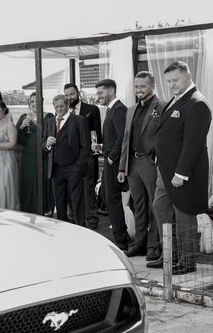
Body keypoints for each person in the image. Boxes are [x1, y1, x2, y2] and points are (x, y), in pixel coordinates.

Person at [147, 61, 211, 275]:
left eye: (175, 80)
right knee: (160, 208)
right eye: (168, 81)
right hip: (163, 172)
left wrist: (181, 174)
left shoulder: (197, 103)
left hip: (181, 175)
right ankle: (170, 256)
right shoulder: (176, 101)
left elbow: (193, 143)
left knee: (184, 217)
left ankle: (187, 261)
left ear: (188, 77)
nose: (171, 85)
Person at [117, 72, 164, 260]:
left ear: (152, 86)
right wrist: (122, 168)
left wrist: (158, 161)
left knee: (154, 205)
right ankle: (140, 244)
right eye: (136, 87)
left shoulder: (161, 107)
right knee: (138, 205)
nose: (139, 90)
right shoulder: (130, 110)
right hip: (132, 164)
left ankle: (154, 246)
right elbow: (125, 140)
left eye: (142, 86)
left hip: (150, 163)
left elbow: (164, 139)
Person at [93, 79, 129, 250]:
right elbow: (114, 137)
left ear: (111, 91)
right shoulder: (111, 110)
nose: (98, 96)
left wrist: (111, 157)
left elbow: (123, 137)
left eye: (101, 92)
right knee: (108, 196)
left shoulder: (119, 109)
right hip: (109, 159)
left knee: (112, 198)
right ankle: (121, 235)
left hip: (114, 163)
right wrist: (102, 147)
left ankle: (122, 239)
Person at [43, 94, 89, 225]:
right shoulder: (50, 122)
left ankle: (81, 227)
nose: (59, 108)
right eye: (56, 106)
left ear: (67, 106)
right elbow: (42, 142)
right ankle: (62, 227)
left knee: (77, 200)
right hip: (56, 168)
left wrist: (79, 165)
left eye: (61, 106)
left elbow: (85, 146)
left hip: (73, 167)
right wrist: (47, 144)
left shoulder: (79, 120)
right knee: (59, 201)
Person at [64, 83, 102, 228]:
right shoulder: (63, 111)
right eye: (66, 95)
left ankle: (91, 221)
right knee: (71, 190)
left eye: (71, 94)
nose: (69, 97)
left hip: (87, 157)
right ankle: (73, 220)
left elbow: (96, 133)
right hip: (69, 159)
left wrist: (94, 154)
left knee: (88, 190)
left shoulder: (92, 109)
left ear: (78, 93)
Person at [15, 92, 54, 214]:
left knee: (42, 184)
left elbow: (50, 135)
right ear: (29, 103)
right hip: (27, 158)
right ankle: (27, 212)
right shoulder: (23, 117)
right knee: (28, 184)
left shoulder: (49, 116)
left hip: (43, 156)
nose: (34, 103)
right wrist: (21, 127)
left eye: (37, 101)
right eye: (32, 101)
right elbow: (18, 140)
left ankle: (44, 211)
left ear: (42, 102)